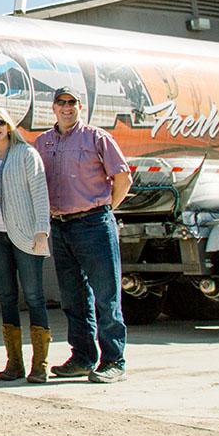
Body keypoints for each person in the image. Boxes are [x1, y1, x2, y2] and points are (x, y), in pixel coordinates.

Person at [34, 87, 131, 383]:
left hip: (94, 224)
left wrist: (104, 209)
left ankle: (114, 360)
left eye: (71, 103)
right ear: (53, 108)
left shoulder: (96, 137)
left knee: (106, 295)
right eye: (61, 102)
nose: (66, 108)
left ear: (80, 106)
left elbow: (123, 178)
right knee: (73, 297)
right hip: (60, 226)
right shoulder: (42, 142)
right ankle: (83, 356)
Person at [0, 107, 52, 383]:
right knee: (6, 296)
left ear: (9, 126)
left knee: (34, 296)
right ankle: (14, 362)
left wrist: (42, 230)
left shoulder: (26, 154)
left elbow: (40, 194)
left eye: (0, 122)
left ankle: (39, 364)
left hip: (26, 236)